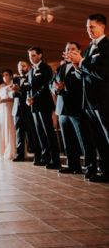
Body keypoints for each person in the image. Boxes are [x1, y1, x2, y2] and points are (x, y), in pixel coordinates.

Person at [68, 13, 109, 182]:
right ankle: (106, 173)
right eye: (87, 27)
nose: (89, 30)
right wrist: (77, 67)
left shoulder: (107, 47)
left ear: (102, 27)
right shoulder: (87, 49)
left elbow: (104, 73)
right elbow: (83, 77)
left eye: (92, 27)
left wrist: (83, 63)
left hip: (104, 100)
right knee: (99, 140)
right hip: (89, 102)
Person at [52, 42, 97, 176]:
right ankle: (73, 165)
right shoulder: (60, 68)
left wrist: (65, 87)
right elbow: (52, 82)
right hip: (62, 108)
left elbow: (83, 83)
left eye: (73, 49)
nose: (70, 51)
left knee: (84, 140)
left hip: (77, 108)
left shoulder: (82, 65)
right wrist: (55, 87)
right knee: (68, 140)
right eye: (67, 49)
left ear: (79, 51)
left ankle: (90, 168)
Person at [27, 47, 61, 169]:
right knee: (39, 132)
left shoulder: (46, 68)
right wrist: (28, 98)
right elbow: (29, 87)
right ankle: (45, 157)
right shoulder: (31, 71)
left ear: (40, 55)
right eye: (30, 56)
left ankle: (55, 159)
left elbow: (46, 85)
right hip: (34, 106)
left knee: (48, 132)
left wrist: (34, 97)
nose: (32, 58)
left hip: (44, 104)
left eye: (34, 55)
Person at [10, 61, 41, 163]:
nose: (21, 68)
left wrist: (20, 91)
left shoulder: (31, 77)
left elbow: (30, 91)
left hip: (28, 110)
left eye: (23, 66)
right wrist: (13, 92)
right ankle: (19, 155)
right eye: (19, 66)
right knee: (19, 134)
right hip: (17, 110)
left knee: (32, 133)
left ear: (28, 67)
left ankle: (37, 156)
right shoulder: (15, 79)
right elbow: (10, 94)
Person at [0, 69, 16, 159]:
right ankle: (3, 150)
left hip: (9, 106)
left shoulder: (13, 85)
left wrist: (4, 100)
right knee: (2, 127)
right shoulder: (1, 85)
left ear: (11, 76)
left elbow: (14, 97)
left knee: (10, 127)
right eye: (3, 75)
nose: (5, 77)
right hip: (2, 108)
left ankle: (12, 150)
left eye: (7, 74)